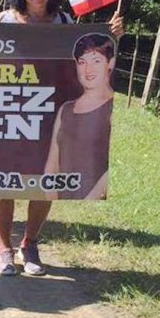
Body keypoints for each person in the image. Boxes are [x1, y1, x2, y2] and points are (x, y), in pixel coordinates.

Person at [0, 0, 124, 276]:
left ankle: (30, 244)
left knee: (46, 180)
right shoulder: (2, 21)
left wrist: (110, 37)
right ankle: (4, 248)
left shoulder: (65, 24)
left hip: (50, 113)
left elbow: (87, 58)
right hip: (10, 114)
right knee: (6, 183)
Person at [43, 34, 117, 200]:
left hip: (92, 202)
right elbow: (52, 163)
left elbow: (117, 163)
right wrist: (52, 196)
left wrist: (90, 199)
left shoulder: (113, 108)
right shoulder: (66, 109)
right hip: (62, 198)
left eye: (96, 61)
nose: (88, 70)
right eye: (82, 62)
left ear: (110, 63)